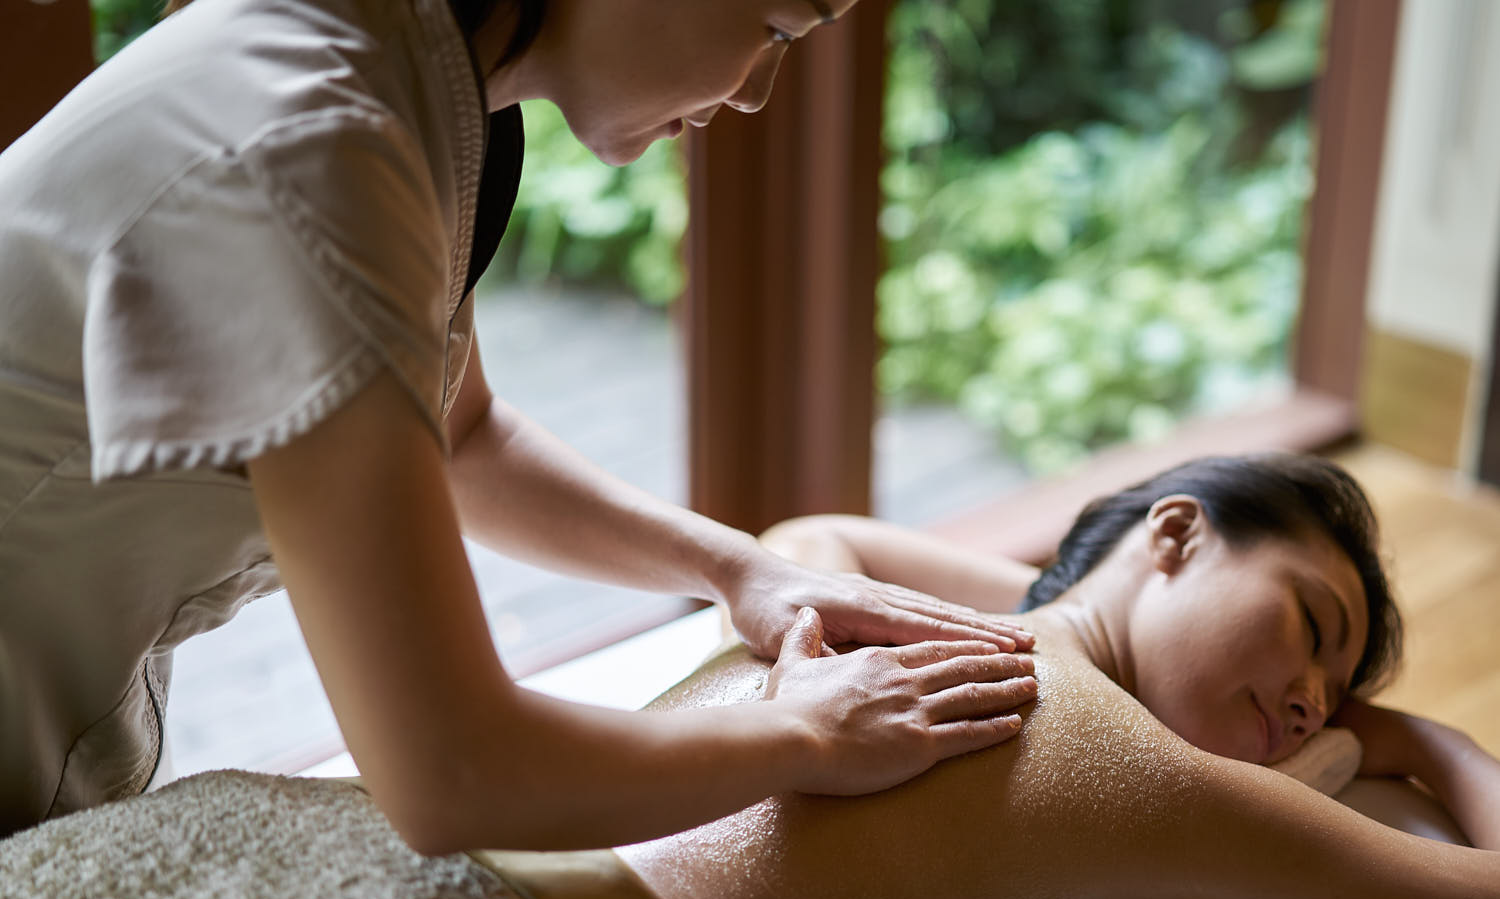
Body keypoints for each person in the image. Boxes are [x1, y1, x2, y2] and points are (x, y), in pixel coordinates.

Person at [0, 0, 1042, 844]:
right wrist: (803, 735)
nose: (759, 91)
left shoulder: (428, 85)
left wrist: (741, 571)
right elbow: (453, 772)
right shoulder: (315, 145)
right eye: (774, 29)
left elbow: (465, 439)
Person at [5, 452, 1494, 899]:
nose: (1314, 702)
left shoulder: (1181, 794)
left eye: (1334, 697)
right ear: (1174, 531)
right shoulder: (857, 629)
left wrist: (1418, 745)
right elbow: (818, 528)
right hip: (402, 860)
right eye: (1312, 629)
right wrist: (1049, 602)